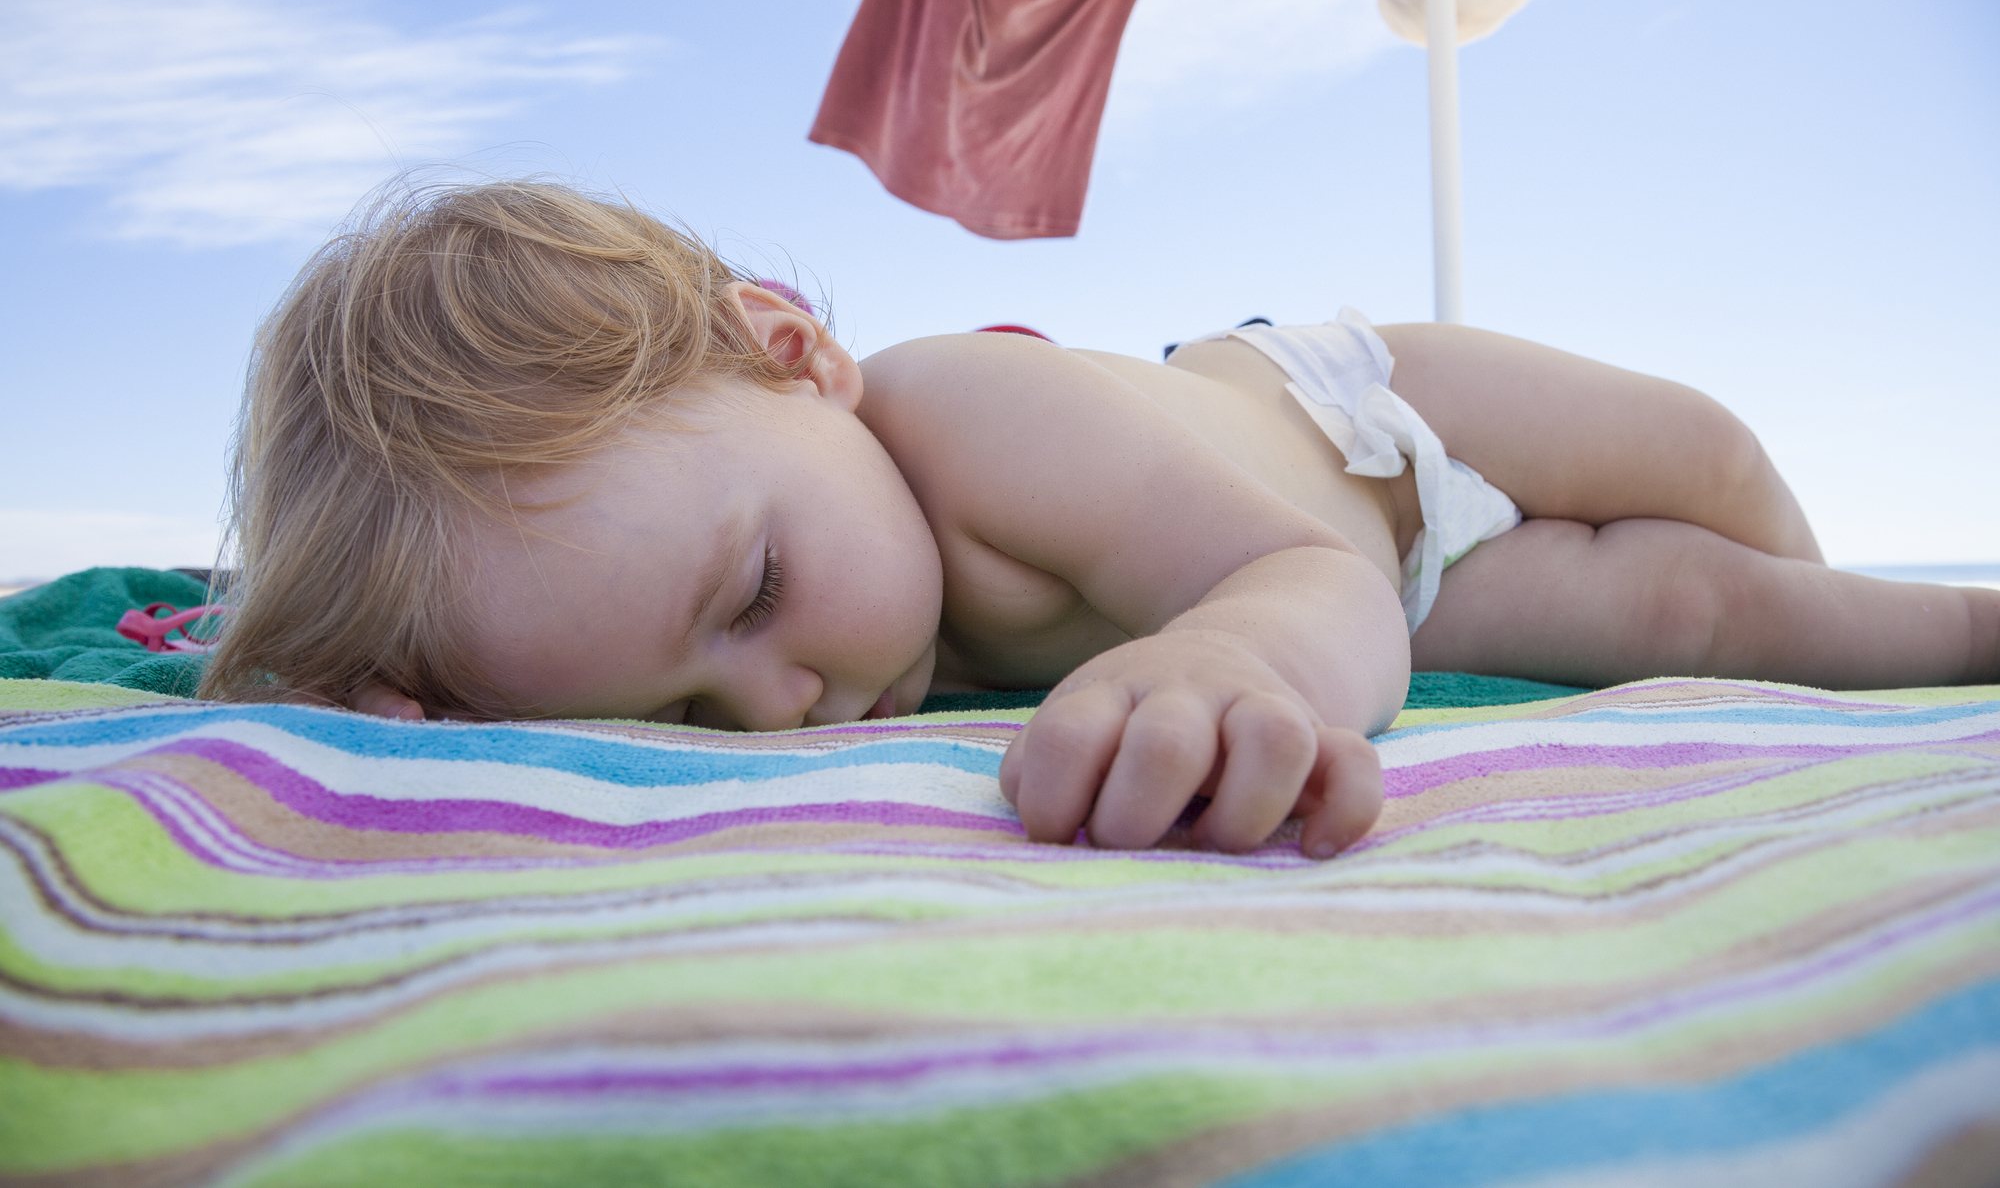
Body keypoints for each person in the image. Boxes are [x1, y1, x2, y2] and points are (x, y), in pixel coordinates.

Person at [200, 180, 2000, 860]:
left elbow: (1290, 571)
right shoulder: (800, 612)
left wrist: (1221, 653)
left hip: (1353, 428)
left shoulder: (963, 413)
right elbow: (1359, 615)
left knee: (1702, 451)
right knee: (1701, 617)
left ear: (792, 350)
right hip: (1406, 598)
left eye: (753, 591)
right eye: (677, 711)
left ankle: (1838, 558)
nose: (779, 703)